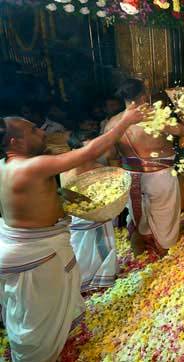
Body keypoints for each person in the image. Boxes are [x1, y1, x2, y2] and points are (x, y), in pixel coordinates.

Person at [0, 105, 143, 361]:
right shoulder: (29, 167)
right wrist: (125, 121)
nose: (41, 132)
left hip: (28, 244)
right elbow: (90, 151)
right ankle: (36, 356)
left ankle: (47, 344)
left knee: (33, 306)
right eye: (32, 130)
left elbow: (36, 198)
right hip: (35, 251)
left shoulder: (6, 165)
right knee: (40, 311)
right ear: (15, 141)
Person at [105, 78, 184, 255]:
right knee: (164, 213)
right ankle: (166, 252)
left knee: (139, 212)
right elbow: (183, 131)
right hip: (159, 175)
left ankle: (145, 248)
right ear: (144, 97)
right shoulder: (154, 117)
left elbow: (110, 155)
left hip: (129, 177)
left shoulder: (112, 123)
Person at [60, 139, 117, 293]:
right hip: (83, 215)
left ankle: (100, 279)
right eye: (90, 148)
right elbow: (70, 196)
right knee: (85, 247)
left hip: (97, 214)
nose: (94, 151)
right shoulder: (70, 170)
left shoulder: (97, 167)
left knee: (99, 245)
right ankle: (88, 281)